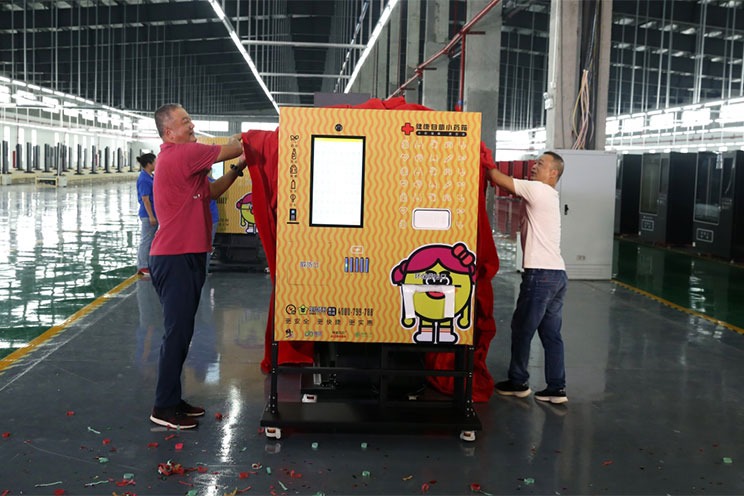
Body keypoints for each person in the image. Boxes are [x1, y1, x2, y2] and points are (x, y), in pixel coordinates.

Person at [148, 103, 249, 429]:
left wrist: (238, 169)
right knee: (177, 334)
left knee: (182, 332)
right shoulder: (181, 154)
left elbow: (213, 191)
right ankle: (163, 407)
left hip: (186, 255)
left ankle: (172, 399)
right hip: (174, 257)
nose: (191, 126)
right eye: (185, 121)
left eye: (190, 120)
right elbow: (233, 147)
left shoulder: (184, 164)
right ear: (169, 132)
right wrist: (246, 140)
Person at [487, 152, 568, 404]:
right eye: (535, 163)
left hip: (540, 276)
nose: (534, 167)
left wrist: (484, 159)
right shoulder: (549, 195)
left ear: (553, 173)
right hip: (557, 275)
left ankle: (518, 382)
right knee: (551, 334)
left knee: (522, 328)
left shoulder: (538, 190)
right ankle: (556, 388)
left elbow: (497, 177)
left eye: (540, 164)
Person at [136, 153, 157, 278]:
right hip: (148, 214)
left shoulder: (151, 176)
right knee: (146, 240)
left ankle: (148, 264)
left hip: (153, 212)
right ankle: (142, 266)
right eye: (155, 161)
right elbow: (145, 199)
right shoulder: (144, 179)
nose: (157, 163)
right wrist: (151, 216)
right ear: (149, 164)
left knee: (151, 240)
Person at [206, 174, 219, 274]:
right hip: (212, 218)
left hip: (202, 219)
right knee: (207, 246)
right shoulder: (213, 183)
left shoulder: (195, 182)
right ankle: (204, 270)